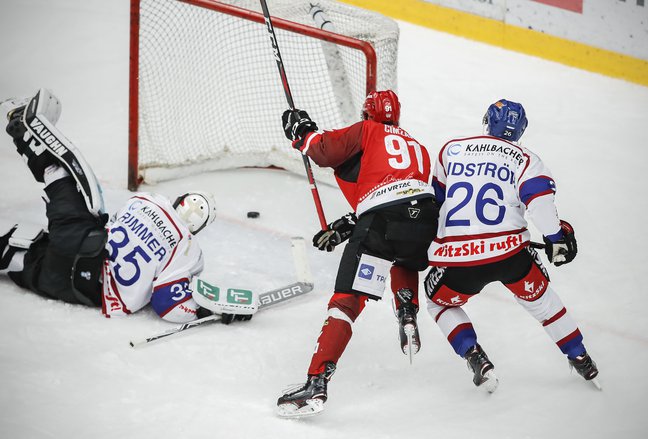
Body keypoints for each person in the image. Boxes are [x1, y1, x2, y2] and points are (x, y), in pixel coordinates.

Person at [0, 88, 249, 323]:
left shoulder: (147, 200)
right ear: (198, 228)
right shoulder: (189, 250)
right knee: (27, 265)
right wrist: (203, 311)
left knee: (59, 178)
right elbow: (168, 304)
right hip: (78, 289)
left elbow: (115, 224)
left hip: (84, 241)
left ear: (179, 200)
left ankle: (25, 135)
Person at [276, 90, 439, 417]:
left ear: (368, 115)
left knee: (347, 302)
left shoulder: (368, 131)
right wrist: (346, 226)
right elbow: (396, 195)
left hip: (381, 221)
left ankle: (316, 382)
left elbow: (322, 151)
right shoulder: (419, 149)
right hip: (424, 219)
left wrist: (302, 131)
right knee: (401, 252)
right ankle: (407, 310)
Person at [424, 99, 599, 393]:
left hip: (458, 261)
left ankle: (474, 355)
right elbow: (541, 205)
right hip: (511, 256)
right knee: (543, 302)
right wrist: (556, 238)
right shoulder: (526, 158)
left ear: (487, 121)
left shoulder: (450, 149)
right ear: (521, 130)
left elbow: (436, 203)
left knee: (437, 302)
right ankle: (580, 357)